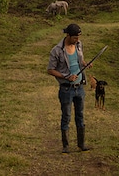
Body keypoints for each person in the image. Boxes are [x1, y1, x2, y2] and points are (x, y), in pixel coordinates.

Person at [47, 23, 92, 153]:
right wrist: (66, 77)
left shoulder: (79, 45)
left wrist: (86, 64)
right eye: (75, 38)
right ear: (68, 35)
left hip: (80, 88)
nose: (77, 40)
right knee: (66, 116)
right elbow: (50, 70)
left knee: (80, 115)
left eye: (78, 37)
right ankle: (66, 146)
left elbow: (79, 61)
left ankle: (81, 144)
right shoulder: (57, 50)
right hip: (66, 89)